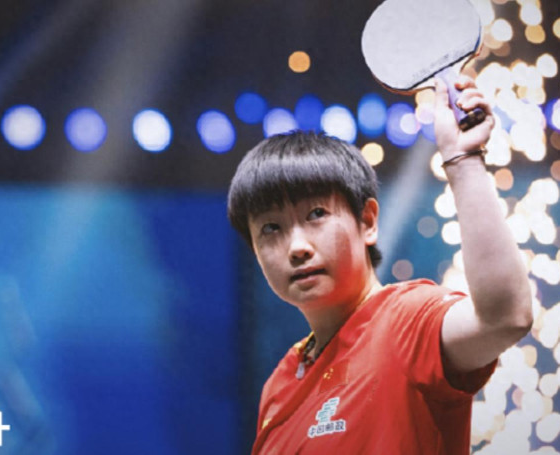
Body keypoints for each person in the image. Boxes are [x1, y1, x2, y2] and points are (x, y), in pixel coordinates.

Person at [227, 76, 533, 454]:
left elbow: (504, 319)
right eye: (271, 228)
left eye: (316, 214)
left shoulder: (407, 321)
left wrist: (463, 160)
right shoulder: (281, 381)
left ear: (368, 221)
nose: (297, 247)